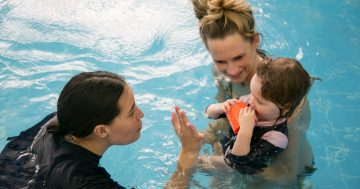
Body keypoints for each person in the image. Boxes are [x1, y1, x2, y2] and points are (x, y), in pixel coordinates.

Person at [0, 71, 203, 189]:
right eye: (131, 112)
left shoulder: (63, 117)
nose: (141, 114)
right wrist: (189, 153)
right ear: (101, 131)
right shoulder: (82, 181)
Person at [191, 0, 316, 185]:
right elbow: (223, 119)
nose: (231, 71)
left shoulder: (283, 97)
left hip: (282, 173)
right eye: (220, 61)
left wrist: (216, 164)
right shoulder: (219, 72)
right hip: (243, 154)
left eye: (239, 57)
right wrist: (201, 138)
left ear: (255, 41)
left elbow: (286, 173)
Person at [204, 57, 311, 175]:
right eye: (251, 92)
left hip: (240, 170)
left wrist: (245, 131)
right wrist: (220, 107)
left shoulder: (276, 138)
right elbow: (208, 114)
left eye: (259, 101)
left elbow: (239, 164)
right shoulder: (248, 101)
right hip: (228, 147)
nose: (250, 101)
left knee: (195, 163)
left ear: (285, 107)